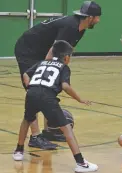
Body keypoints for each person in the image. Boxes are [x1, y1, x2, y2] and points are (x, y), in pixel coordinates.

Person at [14, 1, 102, 147]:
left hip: (40, 51)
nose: (98, 21)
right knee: (35, 89)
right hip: (27, 50)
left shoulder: (81, 28)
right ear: (90, 17)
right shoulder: (70, 27)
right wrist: (52, 70)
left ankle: (49, 131)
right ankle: (35, 137)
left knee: (49, 87)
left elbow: (66, 51)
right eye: (98, 17)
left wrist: (61, 72)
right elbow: (53, 52)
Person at [13, 40, 98, 172]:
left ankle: (18, 151)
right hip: (47, 97)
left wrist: (29, 86)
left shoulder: (42, 62)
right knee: (67, 128)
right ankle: (81, 163)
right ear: (66, 57)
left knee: (27, 120)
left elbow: (25, 74)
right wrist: (79, 99)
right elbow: (65, 86)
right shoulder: (64, 67)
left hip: (32, 94)